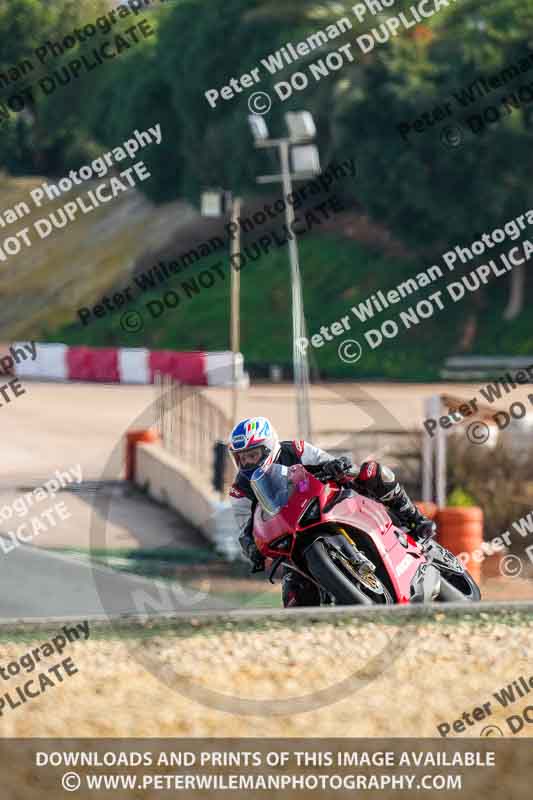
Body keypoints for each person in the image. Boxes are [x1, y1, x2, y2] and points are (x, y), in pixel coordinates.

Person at [228, 416, 435, 607]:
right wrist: (251, 547)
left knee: (372, 473)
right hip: (291, 537)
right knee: (293, 598)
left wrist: (336, 466)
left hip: (322, 504)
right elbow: (245, 528)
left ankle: (414, 519)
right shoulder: (239, 490)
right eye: (241, 458)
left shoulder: (296, 450)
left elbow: (325, 460)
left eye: (252, 455)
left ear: (269, 447)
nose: (247, 463)